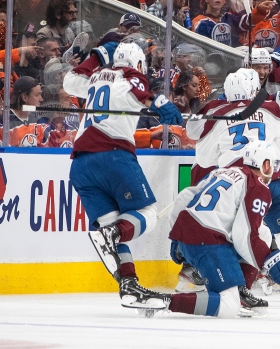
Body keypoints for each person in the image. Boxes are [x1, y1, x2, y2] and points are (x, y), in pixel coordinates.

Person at [63, 40, 184, 310]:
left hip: (81, 165)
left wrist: (96, 56)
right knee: (147, 214)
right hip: (113, 156)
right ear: (138, 64)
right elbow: (143, 94)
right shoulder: (133, 77)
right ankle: (112, 235)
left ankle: (129, 285)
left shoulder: (94, 78)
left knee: (110, 228)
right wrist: (162, 104)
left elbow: (70, 81)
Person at [186, 68, 280, 310]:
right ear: (253, 89)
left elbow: (203, 159)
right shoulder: (268, 108)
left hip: (234, 184)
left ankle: (233, 286)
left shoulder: (217, 114)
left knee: (242, 237)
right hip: (269, 179)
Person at [163, 140, 280, 318]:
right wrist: (271, 263)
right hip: (206, 240)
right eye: (273, 165)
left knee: (264, 232)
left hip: (189, 234)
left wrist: (175, 239)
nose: (273, 170)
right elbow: (245, 237)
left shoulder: (223, 171)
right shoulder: (259, 187)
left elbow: (184, 197)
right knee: (228, 306)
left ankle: (240, 291)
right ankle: (165, 301)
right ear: (265, 165)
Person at [5, 76, 47, 147]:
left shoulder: (38, 120)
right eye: (37, 95)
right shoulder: (5, 120)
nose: (41, 99)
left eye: (40, 94)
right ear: (24, 97)